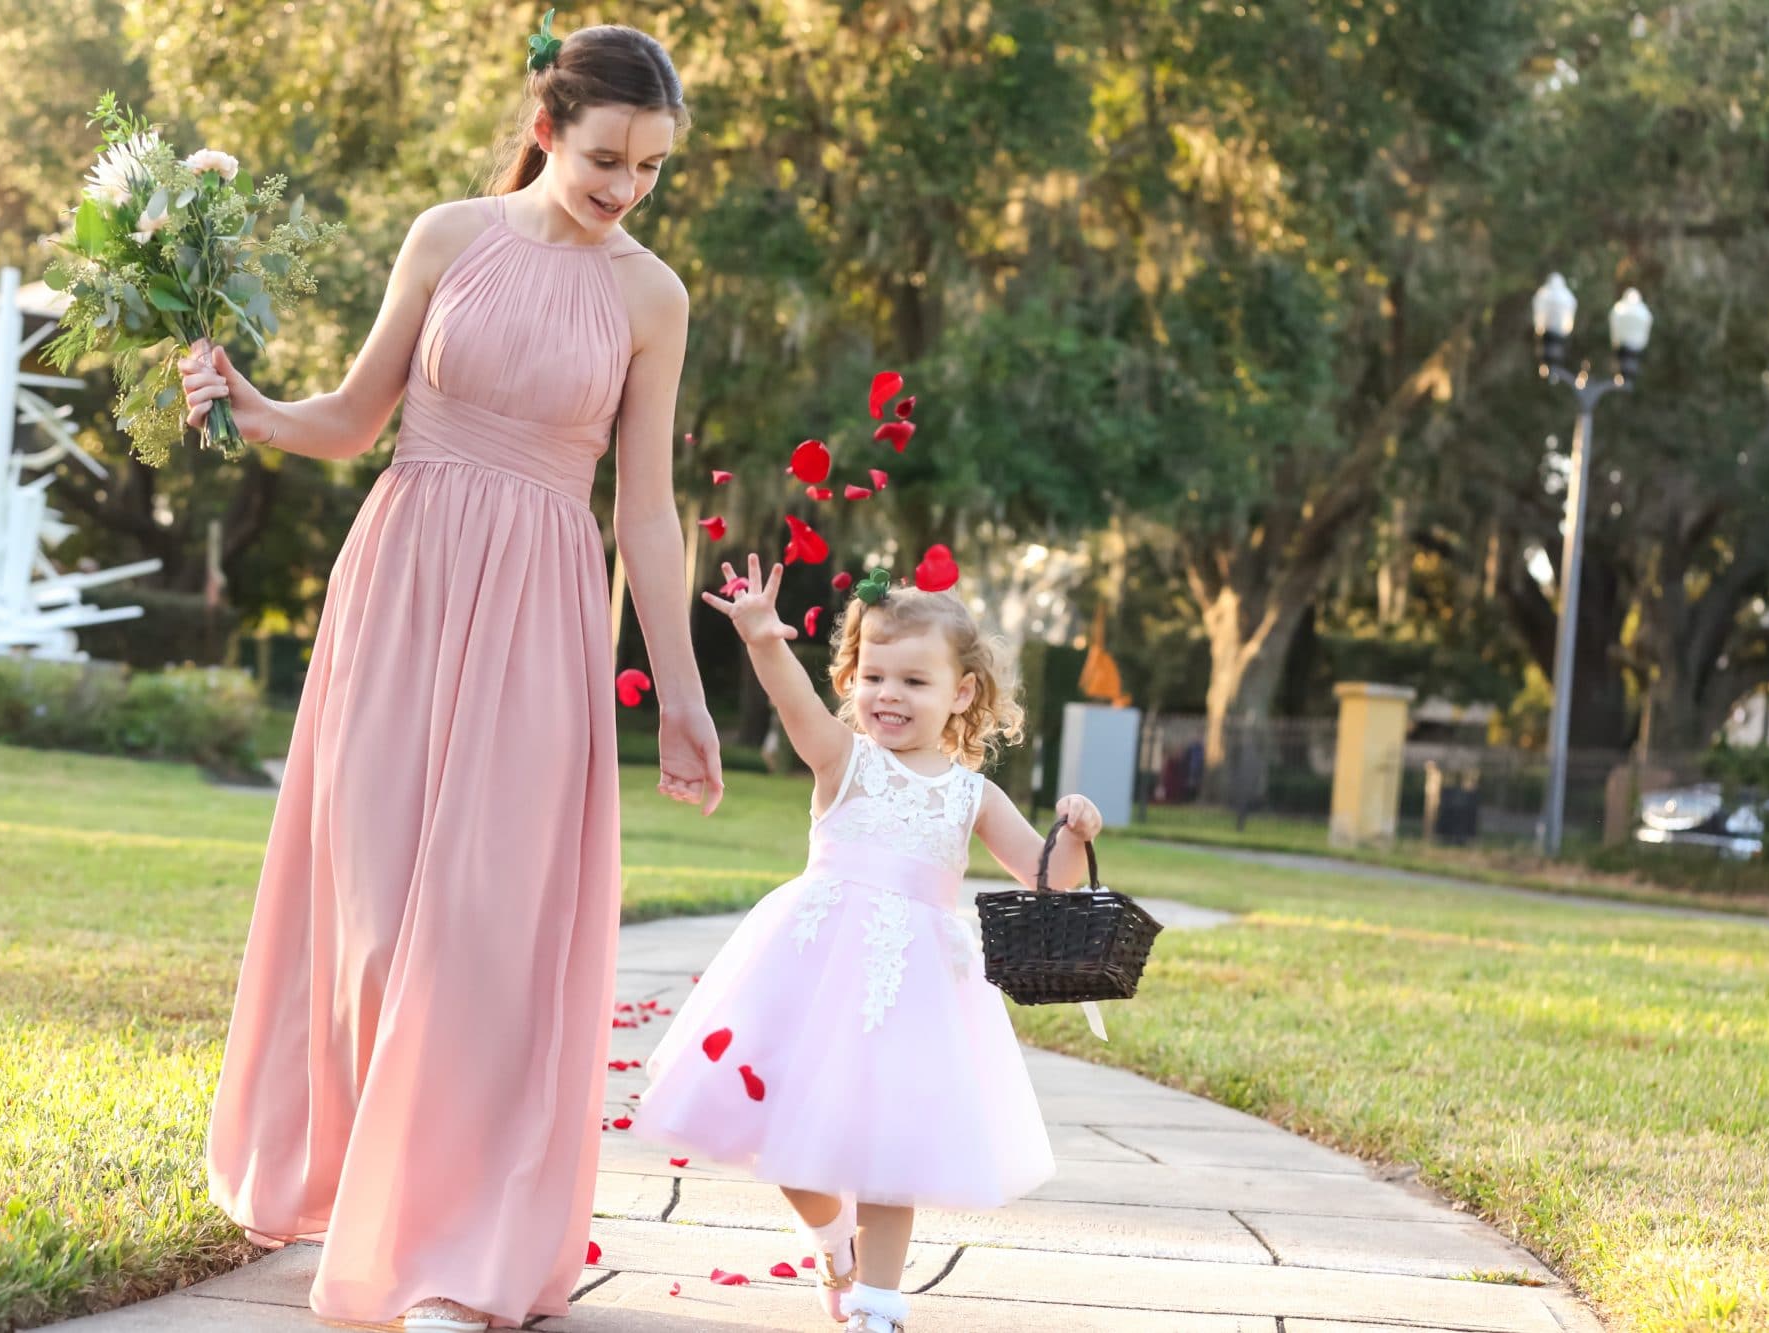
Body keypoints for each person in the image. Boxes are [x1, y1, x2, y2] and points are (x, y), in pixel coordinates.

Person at [178, 18, 724, 1331]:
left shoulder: (654, 297)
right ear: (548, 129)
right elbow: (356, 420)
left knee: (484, 932)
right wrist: (249, 401)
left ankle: (456, 1249)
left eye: (651, 170)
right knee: (366, 921)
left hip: (538, 607)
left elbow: (645, 515)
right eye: (607, 161)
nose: (627, 191)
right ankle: (364, 1193)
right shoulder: (444, 236)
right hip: (403, 586)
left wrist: (686, 697)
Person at [631, 555, 1105, 1333]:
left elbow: (1047, 875)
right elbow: (795, 706)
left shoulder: (971, 793)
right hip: (813, 973)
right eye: (873, 675)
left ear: (961, 693)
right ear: (853, 679)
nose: (889, 694)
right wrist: (761, 638)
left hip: (910, 992)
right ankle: (831, 1246)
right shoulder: (843, 760)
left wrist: (1077, 833)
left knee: (892, 1149)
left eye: (914, 682)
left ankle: (877, 1306)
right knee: (787, 1143)